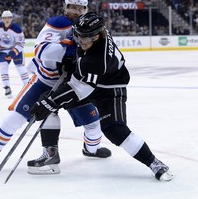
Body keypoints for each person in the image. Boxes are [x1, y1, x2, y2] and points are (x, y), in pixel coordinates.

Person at [0, 0, 111, 174]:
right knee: (16, 117)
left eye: (81, 8)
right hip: (45, 81)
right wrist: (67, 50)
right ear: (65, 7)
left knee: (93, 123)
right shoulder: (57, 24)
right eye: (73, 7)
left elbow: (102, 56)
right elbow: (42, 51)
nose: (77, 11)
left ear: (86, 8)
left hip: (73, 85)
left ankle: (91, 149)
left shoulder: (93, 27)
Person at [30, 11, 174, 181]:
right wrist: (73, 61)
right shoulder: (91, 34)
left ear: (96, 37)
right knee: (47, 100)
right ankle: (50, 154)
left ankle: (154, 163)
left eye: (85, 38)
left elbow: (79, 90)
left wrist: (51, 102)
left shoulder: (97, 60)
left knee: (115, 131)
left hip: (109, 89)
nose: (80, 40)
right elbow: (79, 52)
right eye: (78, 35)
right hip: (89, 80)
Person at [0, 10, 29, 98]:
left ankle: (28, 87)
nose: (7, 20)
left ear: (12, 18)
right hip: (4, 50)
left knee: (20, 67)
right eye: (5, 18)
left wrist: (13, 53)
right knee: (3, 66)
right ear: (2, 19)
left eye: (9, 18)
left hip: (16, 50)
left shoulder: (17, 29)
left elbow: (21, 43)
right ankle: (6, 87)